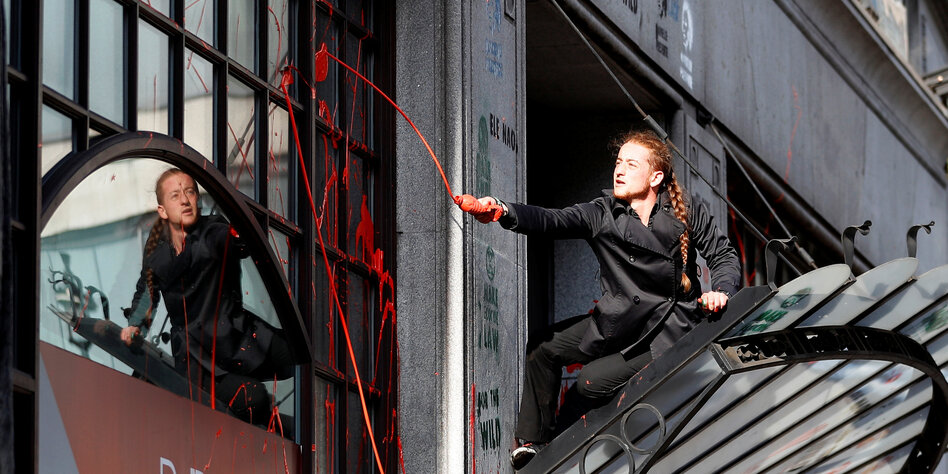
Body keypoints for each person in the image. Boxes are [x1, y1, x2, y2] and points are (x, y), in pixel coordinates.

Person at [458, 129, 741, 469]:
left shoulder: (685, 211)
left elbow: (723, 255)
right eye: (618, 162)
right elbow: (552, 219)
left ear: (655, 177)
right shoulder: (602, 212)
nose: (619, 170)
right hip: (620, 321)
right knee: (544, 349)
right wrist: (502, 210)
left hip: (667, 331)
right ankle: (535, 444)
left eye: (631, 164)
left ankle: (580, 450)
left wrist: (721, 292)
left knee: (589, 382)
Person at [121, 168, 294, 425]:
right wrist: (135, 325)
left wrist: (242, 232)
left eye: (190, 192)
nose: (185, 200)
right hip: (197, 359)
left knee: (297, 357)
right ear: (162, 211)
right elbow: (147, 290)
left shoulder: (213, 229)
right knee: (253, 398)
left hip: (236, 337)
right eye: (175, 195)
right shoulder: (156, 249)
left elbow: (234, 240)